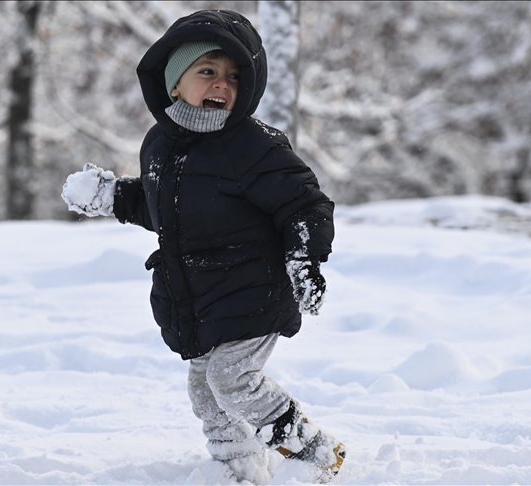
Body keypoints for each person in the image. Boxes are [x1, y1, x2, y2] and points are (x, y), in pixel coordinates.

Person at [60, 9, 344, 484]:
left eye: (234, 76)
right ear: (175, 82)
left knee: (232, 381)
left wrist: (303, 259)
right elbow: (165, 210)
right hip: (202, 298)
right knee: (206, 392)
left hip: (254, 290)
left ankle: (316, 453)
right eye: (207, 71)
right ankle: (238, 470)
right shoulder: (159, 145)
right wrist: (113, 196)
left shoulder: (255, 146)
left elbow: (304, 204)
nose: (222, 84)